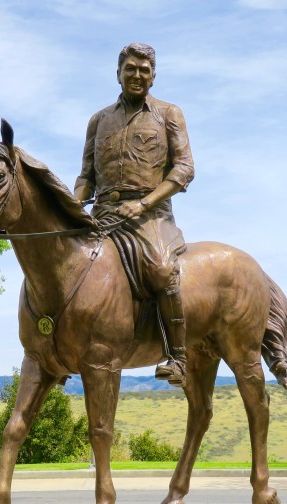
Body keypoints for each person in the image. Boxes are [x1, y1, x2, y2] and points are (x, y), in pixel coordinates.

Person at [74, 43, 195, 386]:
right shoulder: (98, 121)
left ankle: (177, 356)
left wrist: (143, 204)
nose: (137, 75)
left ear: (153, 77)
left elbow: (185, 169)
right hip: (102, 214)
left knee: (160, 268)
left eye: (144, 70)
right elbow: (86, 177)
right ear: (118, 74)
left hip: (150, 215)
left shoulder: (169, 114)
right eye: (131, 68)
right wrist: (72, 207)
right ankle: (59, 351)